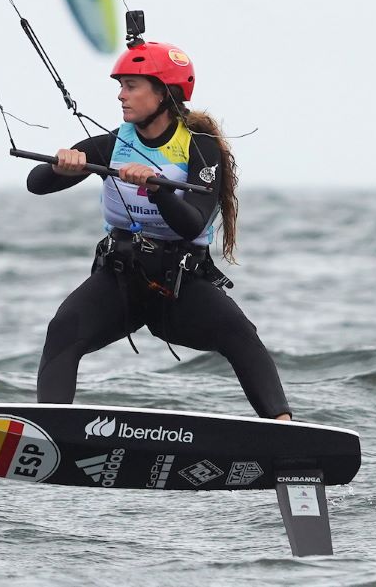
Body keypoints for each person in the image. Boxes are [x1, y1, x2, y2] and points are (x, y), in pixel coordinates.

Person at [26, 41, 292, 421]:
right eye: (120, 85)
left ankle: (284, 428)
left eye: (131, 85)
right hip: (120, 281)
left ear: (164, 93)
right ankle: (50, 427)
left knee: (240, 335)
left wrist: (158, 187)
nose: (121, 95)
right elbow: (36, 184)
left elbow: (193, 221)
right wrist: (61, 167)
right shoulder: (112, 145)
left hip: (180, 286)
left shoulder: (200, 149)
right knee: (64, 329)